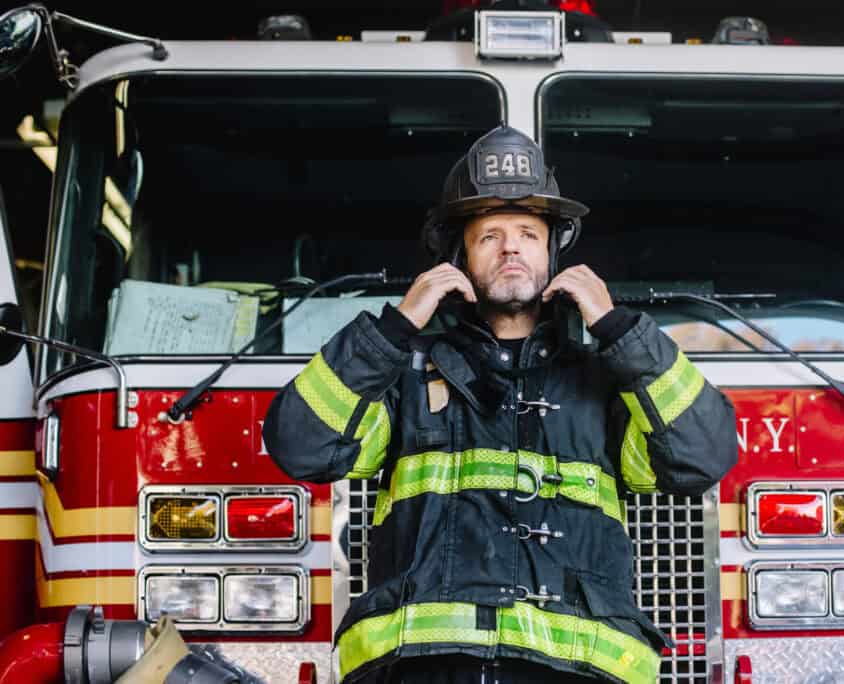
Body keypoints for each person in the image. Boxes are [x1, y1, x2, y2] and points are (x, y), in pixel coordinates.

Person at [263, 126, 738, 684]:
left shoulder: (609, 376)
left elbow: (702, 456)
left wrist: (619, 330)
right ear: (457, 258)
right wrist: (393, 331)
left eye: (528, 234)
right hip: (425, 667)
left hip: (577, 671)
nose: (511, 246)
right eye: (489, 235)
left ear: (553, 252)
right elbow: (302, 447)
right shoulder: (402, 373)